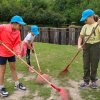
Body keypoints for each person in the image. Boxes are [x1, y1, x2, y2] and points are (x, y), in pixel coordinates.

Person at [0, 15, 26, 97]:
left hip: (11, 53)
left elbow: (16, 44)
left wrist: (18, 53)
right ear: (14, 23)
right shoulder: (3, 27)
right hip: (2, 53)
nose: (20, 26)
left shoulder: (17, 32)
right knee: (2, 70)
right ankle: (1, 87)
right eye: (20, 25)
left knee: (13, 68)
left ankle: (17, 84)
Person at [78, 9, 100, 89]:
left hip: (96, 46)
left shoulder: (97, 25)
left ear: (91, 17)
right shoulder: (85, 27)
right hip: (86, 46)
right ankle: (86, 81)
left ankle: (93, 80)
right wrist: (79, 45)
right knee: (86, 64)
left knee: (94, 64)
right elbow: (80, 37)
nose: (84, 21)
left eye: (85, 19)